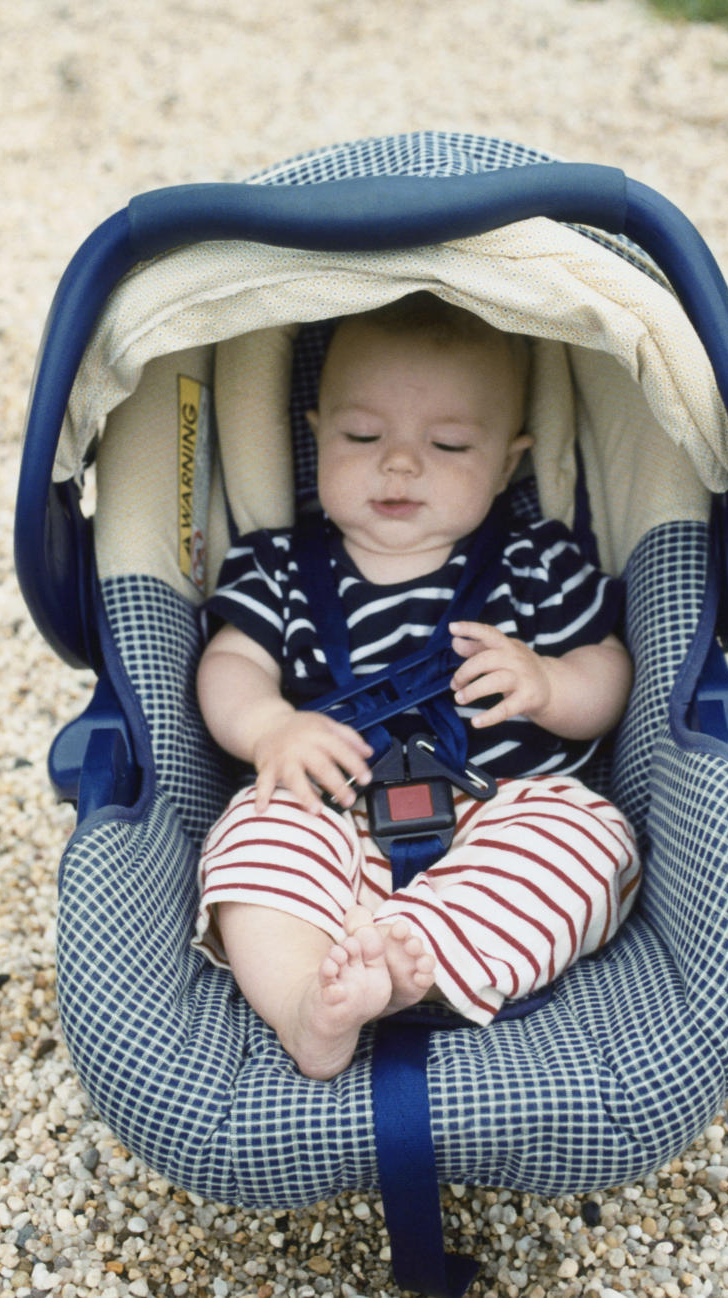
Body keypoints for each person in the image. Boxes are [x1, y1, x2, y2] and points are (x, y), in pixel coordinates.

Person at [193, 293, 640, 1080]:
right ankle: (307, 1002)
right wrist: (270, 729)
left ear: (507, 462)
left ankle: (416, 954)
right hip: (332, 808)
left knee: (591, 836)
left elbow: (607, 675)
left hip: (502, 809)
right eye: (362, 436)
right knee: (254, 832)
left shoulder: (537, 560)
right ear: (315, 438)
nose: (400, 463)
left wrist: (546, 681)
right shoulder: (279, 567)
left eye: (449, 444)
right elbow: (230, 665)